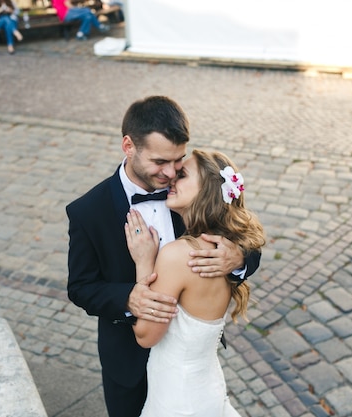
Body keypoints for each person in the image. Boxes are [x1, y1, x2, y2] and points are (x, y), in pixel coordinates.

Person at [66, 96, 261, 417]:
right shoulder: (89, 211)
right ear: (129, 146)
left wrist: (238, 259)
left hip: (182, 366)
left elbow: (242, 234)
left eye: (178, 161)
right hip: (127, 362)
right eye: (160, 162)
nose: (171, 172)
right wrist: (130, 297)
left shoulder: (188, 196)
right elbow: (81, 287)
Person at [126, 149, 266, 416]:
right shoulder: (226, 249)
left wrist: (144, 263)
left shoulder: (178, 255)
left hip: (178, 400)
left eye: (182, 175)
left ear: (206, 191)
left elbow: (146, 336)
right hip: (206, 388)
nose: (171, 180)